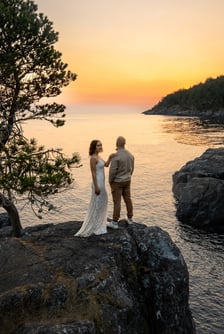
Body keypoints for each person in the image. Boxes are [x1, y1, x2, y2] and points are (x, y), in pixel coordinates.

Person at [74, 140, 113, 237]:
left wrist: (110, 157)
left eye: (100, 145)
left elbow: (106, 165)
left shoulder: (99, 157)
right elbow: (93, 173)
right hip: (97, 183)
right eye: (98, 145)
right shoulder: (93, 158)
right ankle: (95, 225)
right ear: (94, 147)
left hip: (102, 183)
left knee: (102, 202)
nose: (100, 147)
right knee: (98, 203)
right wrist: (96, 186)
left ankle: (100, 221)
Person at [107, 136, 135, 229]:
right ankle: (130, 218)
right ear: (124, 144)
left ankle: (115, 222)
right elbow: (132, 169)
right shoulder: (130, 155)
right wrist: (128, 176)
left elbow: (112, 171)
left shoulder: (116, 156)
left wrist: (110, 181)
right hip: (127, 180)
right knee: (128, 199)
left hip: (117, 182)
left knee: (117, 201)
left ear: (116, 144)